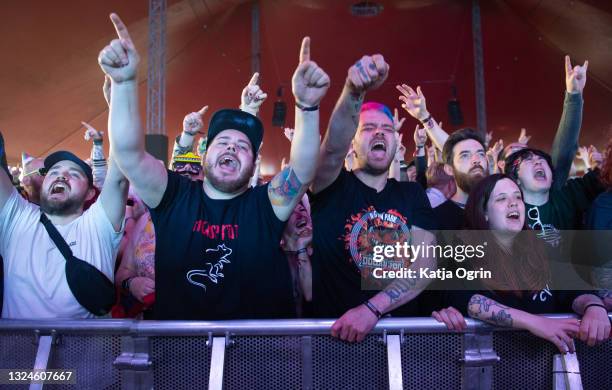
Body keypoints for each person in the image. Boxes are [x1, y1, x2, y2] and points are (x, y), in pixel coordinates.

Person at [99, 14, 329, 319]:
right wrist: (124, 83)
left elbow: (303, 168)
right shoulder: (174, 196)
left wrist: (308, 107)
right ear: (205, 153)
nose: (232, 146)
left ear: (252, 165)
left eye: (243, 145)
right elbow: (128, 154)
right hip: (181, 355)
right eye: (223, 141)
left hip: (256, 357)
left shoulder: (265, 205)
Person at [310, 54, 436, 343]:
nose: (380, 131)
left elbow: (425, 264)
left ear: (395, 143)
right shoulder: (331, 185)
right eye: (368, 128)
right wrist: (354, 92)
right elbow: (331, 150)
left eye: (388, 129)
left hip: (401, 344)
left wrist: (371, 310)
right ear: (352, 144)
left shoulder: (411, 193)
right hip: (335, 343)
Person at [432, 174, 610, 352]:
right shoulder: (463, 249)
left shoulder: (543, 248)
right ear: (484, 213)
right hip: (494, 363)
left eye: (518, 197)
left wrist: (594, 306)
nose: (513, 203)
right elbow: (468, 299)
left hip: (545, 364)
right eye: (502, 199)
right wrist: (536, 323)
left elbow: (574, 288)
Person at [0, 146, 128, 318]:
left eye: (74, 174)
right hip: (19, 344)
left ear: (90, 193)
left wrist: (98, 141)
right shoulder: (16, 217)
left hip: (84, 345)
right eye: (53, 172)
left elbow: (123, 155)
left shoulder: (98, 225)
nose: (61, 176)